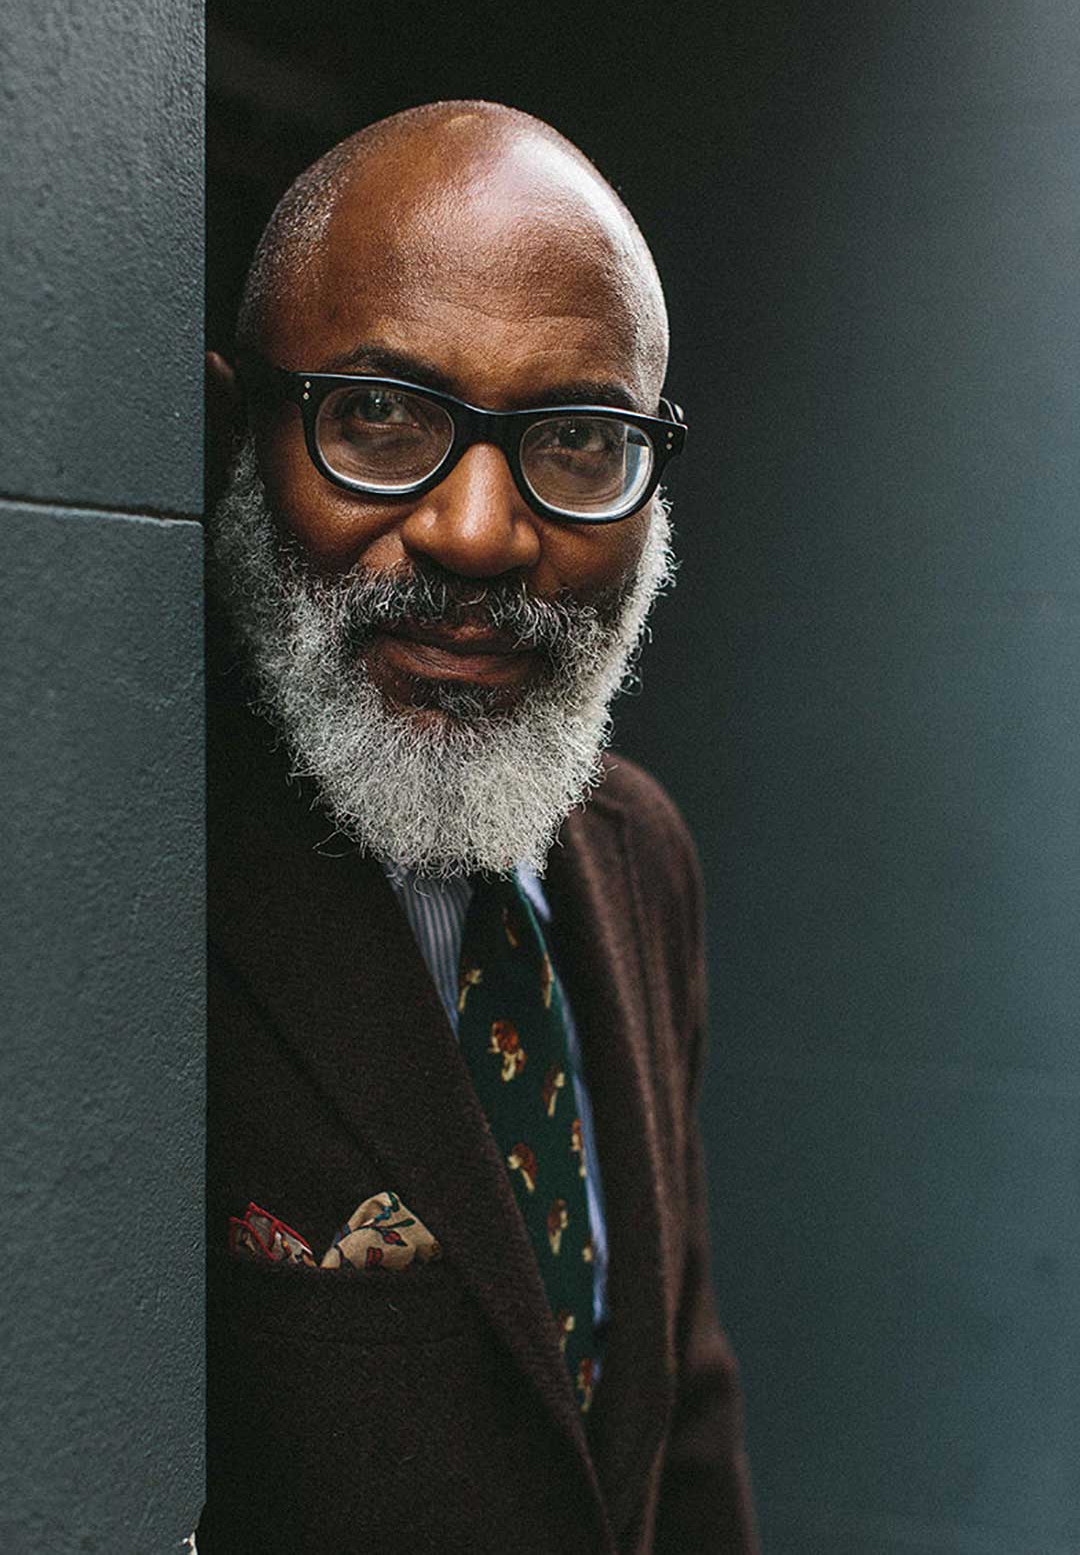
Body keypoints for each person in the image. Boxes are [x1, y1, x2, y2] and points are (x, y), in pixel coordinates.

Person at [199, 99, 758, 1554]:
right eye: (380, 416)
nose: (478, 532)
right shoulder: (128, 868)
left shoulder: (642, 859)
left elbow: (676, 1417)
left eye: (579, 439)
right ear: (235, 428)